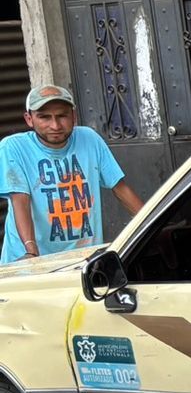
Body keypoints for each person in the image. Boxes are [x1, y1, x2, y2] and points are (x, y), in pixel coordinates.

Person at [2, 85, 143, 264]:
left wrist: (152, 224)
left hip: (83, 260)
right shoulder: (13, 147)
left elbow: (121, 189)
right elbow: (20, 200)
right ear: (29, 119)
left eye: (62, 116)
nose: (55, 125)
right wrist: (31, 253)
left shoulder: (89, 139)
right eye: (44, 117)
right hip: (29, 263)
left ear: (74, 117)